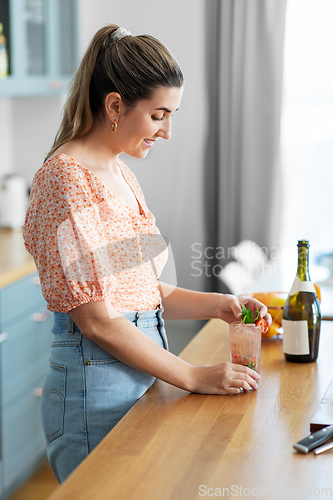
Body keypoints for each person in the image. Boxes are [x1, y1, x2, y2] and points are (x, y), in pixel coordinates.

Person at [23, 24, 271, 484]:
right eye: (159, 115)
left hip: (141, 369)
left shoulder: (120, 173)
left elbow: (141, 290)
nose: (167, 131)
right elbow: (97, 319)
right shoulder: (65, 180)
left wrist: (219, 306)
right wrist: (193, 376)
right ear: (115, 105)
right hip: (94, 387)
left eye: (171, 115)